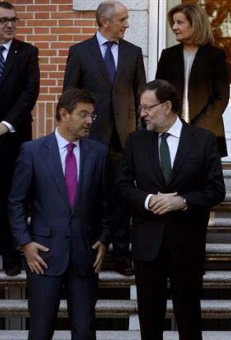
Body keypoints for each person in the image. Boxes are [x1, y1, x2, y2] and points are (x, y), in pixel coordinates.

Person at [114, 79, 225, 340]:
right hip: (147, 245)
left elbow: (215, 190)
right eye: (141, 108)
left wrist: (183, 201)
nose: (142, 114)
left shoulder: (204, 140)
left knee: (189, 320)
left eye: (147, 107)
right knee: (149, 322)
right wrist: (147, 200)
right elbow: (120, 186)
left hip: (186, 244)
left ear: (166, 106)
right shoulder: (136, 141)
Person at [8, 89, 110, 340]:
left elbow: (108, 202)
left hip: (84, 256)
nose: (89, 121)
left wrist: (105, 239)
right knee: (41, 331)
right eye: (83, 114)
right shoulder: (32, 151)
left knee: (85, 331)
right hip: (43, 257)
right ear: (63, 114)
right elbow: (15, 202)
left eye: (92, 116)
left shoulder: (99, 152)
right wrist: (26, 243)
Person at [63, 0, 146, 276]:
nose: (127, 24)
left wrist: (141, 136)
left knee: (122, 198)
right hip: (90, 138)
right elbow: (70, 96)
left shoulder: (134, 53)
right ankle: (89, 252)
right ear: (104, 22)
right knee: (90, 197)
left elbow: (140, 97)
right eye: (122, 19)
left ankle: (121, 255)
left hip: (124, 139)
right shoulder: (79, 52)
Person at [0, 1, 39, 276]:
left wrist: (5, 125)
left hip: (13, 139)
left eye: (14, 20)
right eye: (3, 20)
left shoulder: (28, 53)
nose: (10, 25)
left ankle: (11, 257)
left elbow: (30, 93)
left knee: (11, 199)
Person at [155, 3, 231, 157]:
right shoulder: (168, 55)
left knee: (205, 179)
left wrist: (198, 127)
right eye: (173, 23)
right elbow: (160, 93)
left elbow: (221, 96)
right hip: (172, 129)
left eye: (180, 22)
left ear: (195, 24)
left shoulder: (216, 56)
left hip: (207, 130)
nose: (174, 27)